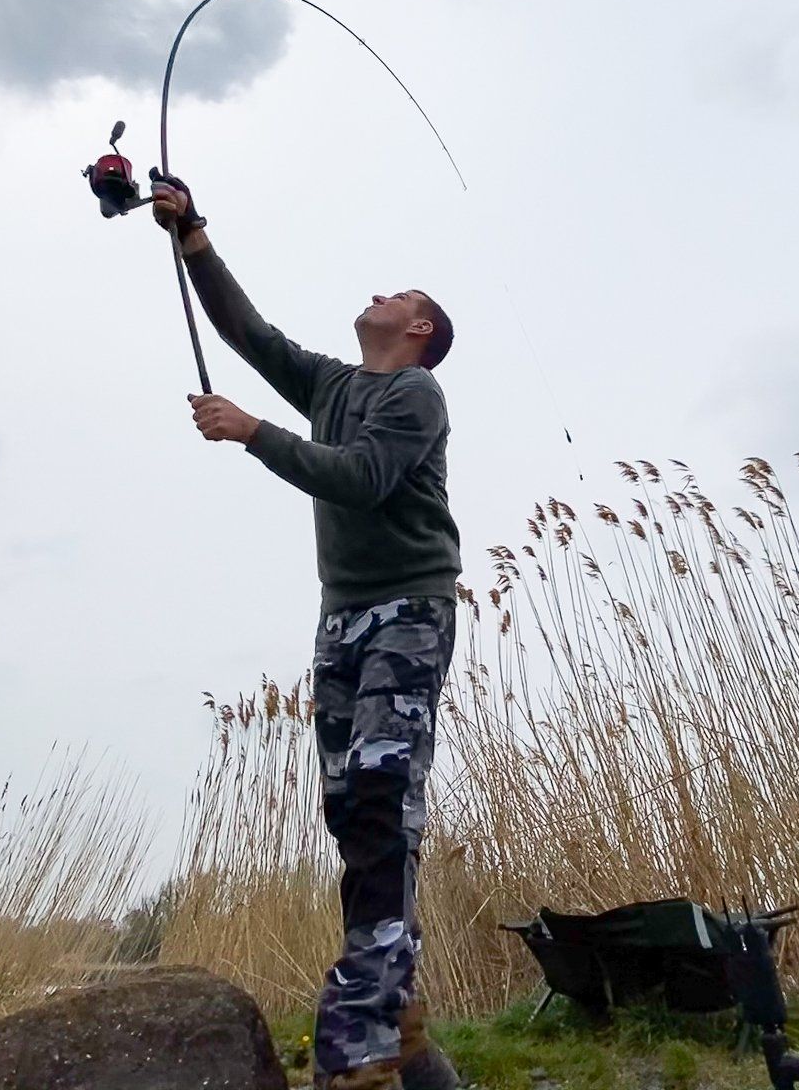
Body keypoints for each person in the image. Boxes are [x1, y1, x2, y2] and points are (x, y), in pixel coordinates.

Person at [153, 173, 461, 1090]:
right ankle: (400, 1020)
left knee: (379, 793)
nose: (380, 292)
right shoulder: (329, 381)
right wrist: (193, 236)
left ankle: (358, 1043)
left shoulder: (413, 399)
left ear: (420, 333)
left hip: (410, 607)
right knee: (352, 813)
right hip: (341, 623)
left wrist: (251, 433)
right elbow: (246, 333)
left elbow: (362, 478)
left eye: (399, 294)